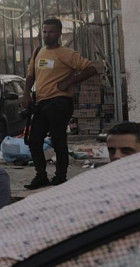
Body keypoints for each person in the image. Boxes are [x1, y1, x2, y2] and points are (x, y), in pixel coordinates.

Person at [22, 18, 97, 189]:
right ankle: (41, 176)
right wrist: (26, 94)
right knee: (34, 140)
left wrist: (69, 81)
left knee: (58, 140)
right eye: (44, 31)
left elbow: (91, 68)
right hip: (41, 103)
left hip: (60, 102)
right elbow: (30, 75)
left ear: (59, 33)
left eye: (51, 32)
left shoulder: (66, 53)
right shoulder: (38, 52)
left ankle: (60, 177)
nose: (47, 35)